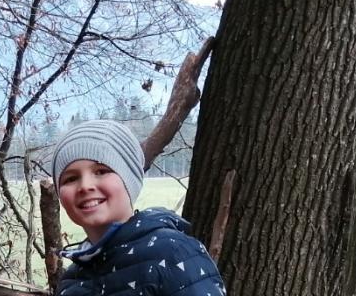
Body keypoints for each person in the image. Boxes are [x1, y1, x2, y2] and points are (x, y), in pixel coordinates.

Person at [51, 120, 227, 296]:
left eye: (101, 171)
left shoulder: (173, 253)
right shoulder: (72, 280)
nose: (85, 186)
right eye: (71, 179)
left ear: (129, 179)